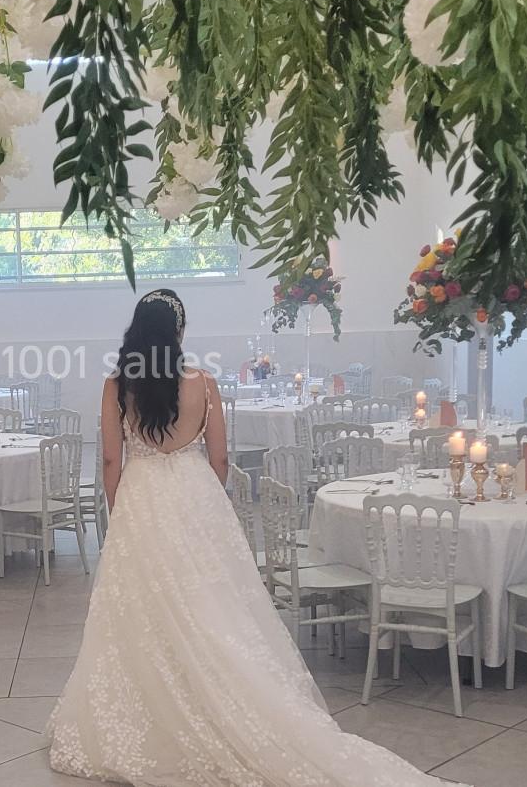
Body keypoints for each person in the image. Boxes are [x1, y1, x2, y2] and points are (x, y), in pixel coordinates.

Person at [47, 289, 456, 786]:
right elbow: (221, 458)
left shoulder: (116, 386)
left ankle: (155, 705)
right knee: (212, 604)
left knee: (139, 607)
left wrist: (121, 509)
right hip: (195, 494)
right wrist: (203, 498)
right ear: (178, 333)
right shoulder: (206, 383)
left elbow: (112, 461)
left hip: (142, 495)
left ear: (137, 331)